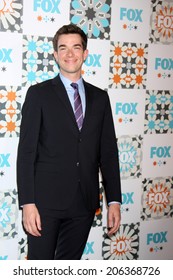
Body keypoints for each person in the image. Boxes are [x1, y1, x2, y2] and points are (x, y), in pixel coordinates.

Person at [17, 23, 122, 260]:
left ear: (85, 53)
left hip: (83, 204)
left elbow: (108, 153)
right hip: (45, 205)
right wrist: (28, 204)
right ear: (55, 55)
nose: (70, 54)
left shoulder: (100, 98)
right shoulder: (38, 94)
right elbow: (26, 154)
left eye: (76, 47)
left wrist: (113, 200)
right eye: (63, 48)